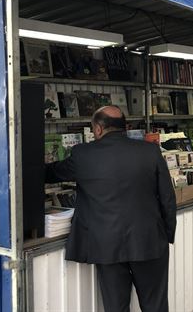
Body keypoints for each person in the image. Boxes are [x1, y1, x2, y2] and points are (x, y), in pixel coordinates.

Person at [45, 106, 177, 312]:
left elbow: (52, 173)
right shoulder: (149, 151)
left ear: (97, 129)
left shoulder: (82, 154)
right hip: (150, 240)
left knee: (115, 307)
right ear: (125, 127)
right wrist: (166, 235)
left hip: (107, 244)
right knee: (156, 306)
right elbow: (168, 198)